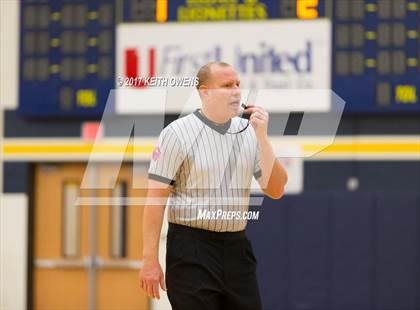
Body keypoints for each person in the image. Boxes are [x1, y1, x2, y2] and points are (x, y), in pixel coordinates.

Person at [139, 61, 288, 309]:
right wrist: (149, 260)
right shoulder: (176, 134)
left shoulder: (251, 132)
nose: (236, 91)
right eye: (227, 85)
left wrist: (262, 137)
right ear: (205, 92)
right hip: (190, 248)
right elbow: (155, 198)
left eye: (238, 84)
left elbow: (276, 190)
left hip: (236, 248)